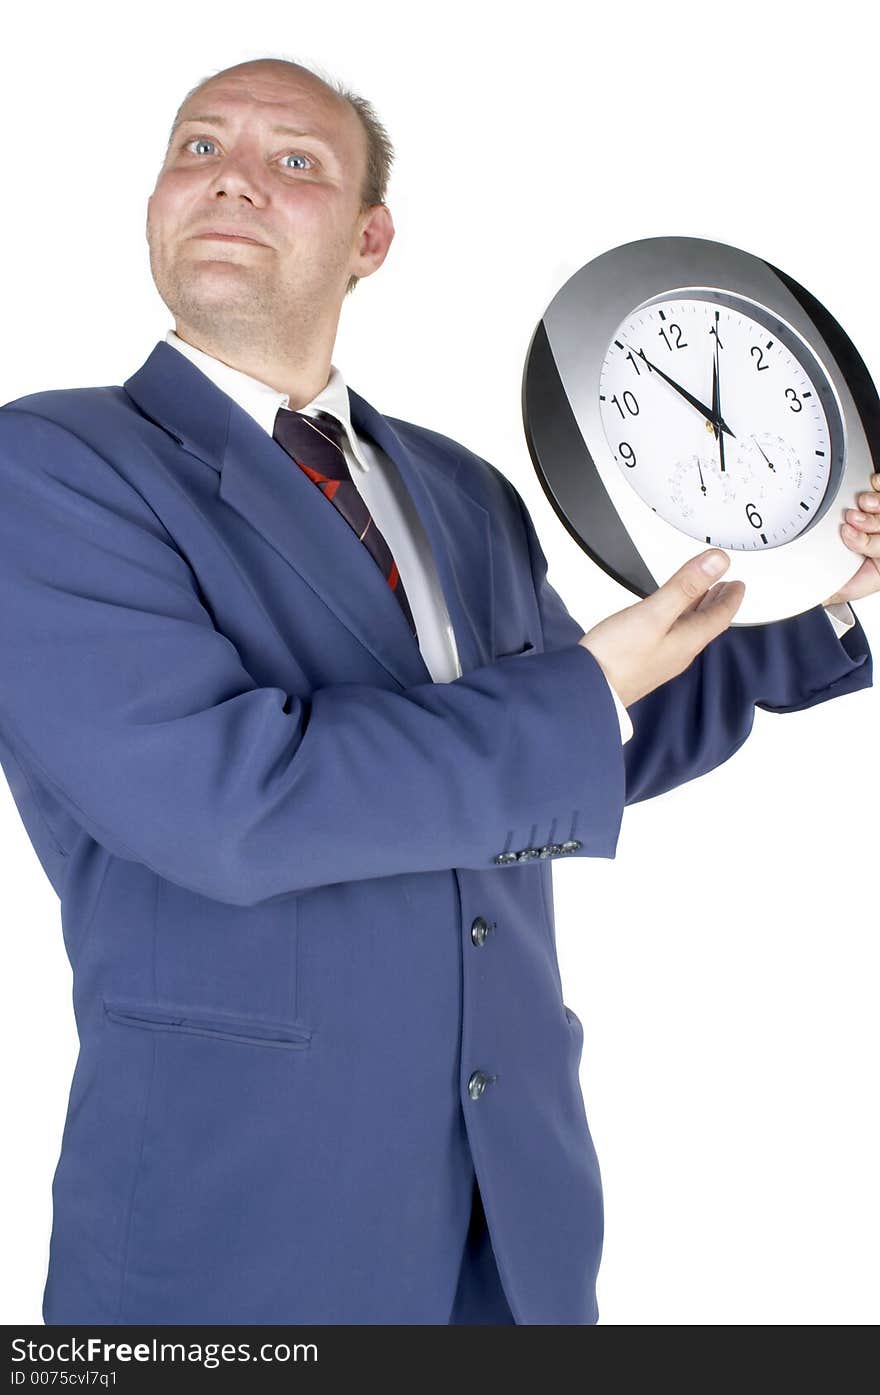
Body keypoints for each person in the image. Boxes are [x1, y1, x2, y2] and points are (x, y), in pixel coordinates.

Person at [0, 55, 875, 1327]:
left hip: (512, 1223)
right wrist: (582, 686)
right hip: (236, 1234)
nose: (232, 178)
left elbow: (584, 743)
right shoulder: (51, 470)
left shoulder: (460, 491)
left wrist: (842, 590)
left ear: (371, 240)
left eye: (293, 161)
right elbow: (229, 803)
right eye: (198, 148)